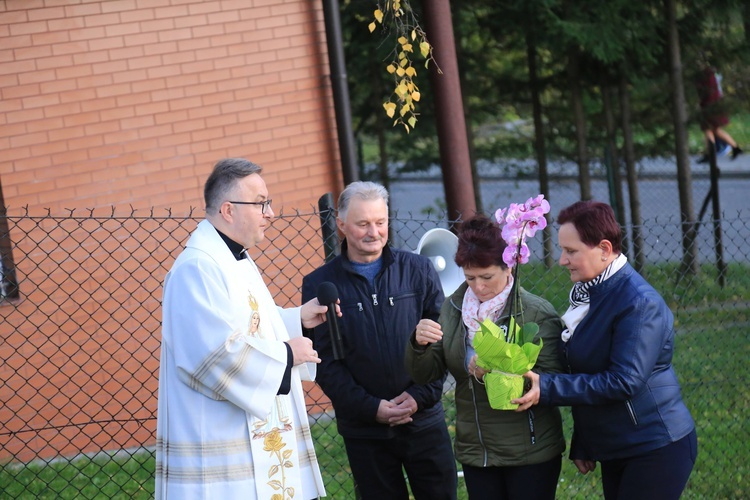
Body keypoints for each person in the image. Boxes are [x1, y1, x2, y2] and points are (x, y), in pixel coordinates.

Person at [155, 158, 332, 500]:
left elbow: (250, 327)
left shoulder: (234, 259)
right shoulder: (198, 268)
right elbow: (212, 354)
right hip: (223, 451)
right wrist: (286, 354)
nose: (271, 213)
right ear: (228, 210)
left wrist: (298, 318)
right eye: (262, 202)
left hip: (251, 444)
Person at [513, 200, 697, 500]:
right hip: (618, 445)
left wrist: (545, 386)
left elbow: (623, 381)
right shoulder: (589, 293)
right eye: (562, 250)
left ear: (604, 248)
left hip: (655, 445)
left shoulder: (638, 303)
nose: (562, 260)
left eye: (571, 251)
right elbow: (586, 369)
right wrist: (585, 440)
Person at [301, 181, 457, 500]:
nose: (374, 231)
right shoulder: (320, 284)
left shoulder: (419, 270)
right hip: (364, 430)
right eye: (363, 224)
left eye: (381, 222)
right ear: (341, 225)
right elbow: (326, 363)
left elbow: (442, 342)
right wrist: (372, 408)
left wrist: (419, 396)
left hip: (423, 420)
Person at [404, 214, 566, 500]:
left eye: (486, 276)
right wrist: (419, 345)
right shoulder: (453, 308)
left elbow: (555, 382)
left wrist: (495, 370)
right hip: (477, 451)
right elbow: (426, 373)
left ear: (508, 266)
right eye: (469, 277)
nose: (477, 287)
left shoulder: (536, 312)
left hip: (529, 451)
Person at [695, 63, 743, 162]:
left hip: (709, 107)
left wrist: (700, 104)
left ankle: (710, 154)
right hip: (714, 105)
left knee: (708, 129)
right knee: (715, 130)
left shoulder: (705, 76)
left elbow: (705, 93)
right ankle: (735, 148)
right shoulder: (712, 75)